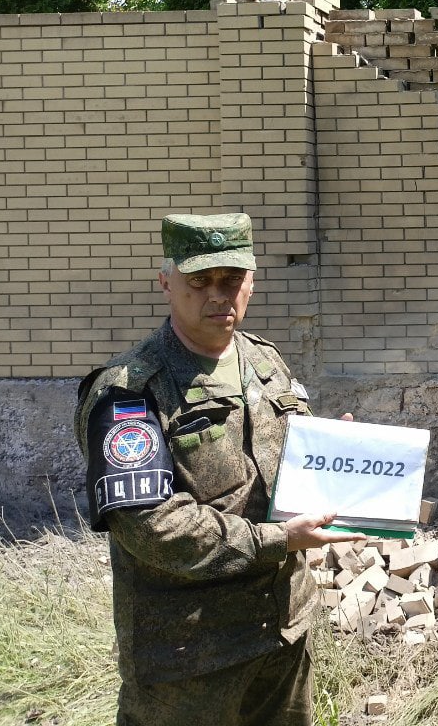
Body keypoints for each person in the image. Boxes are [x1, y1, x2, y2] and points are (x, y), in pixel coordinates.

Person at [74, 213, 365, 726]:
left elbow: (293, 468)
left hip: (282, 636)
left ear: (251, 281)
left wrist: (340, 454)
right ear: (167, 282)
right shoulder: (130, 392)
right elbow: (150, 525)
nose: (217, 295)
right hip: (187, 661)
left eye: (231, 279)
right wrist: (276, 540)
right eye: (198, 281)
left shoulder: (266, 363)